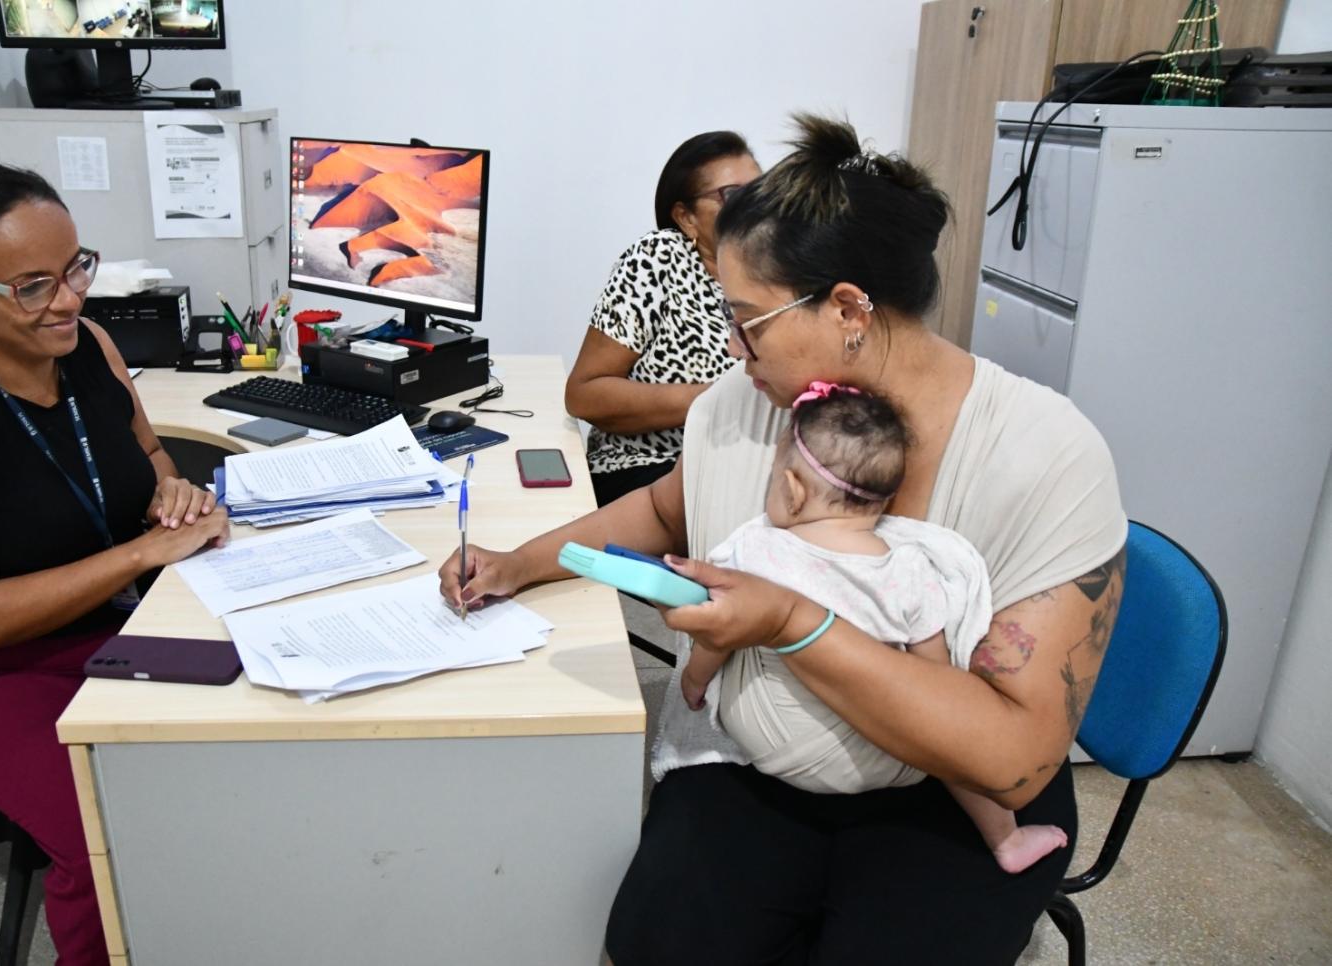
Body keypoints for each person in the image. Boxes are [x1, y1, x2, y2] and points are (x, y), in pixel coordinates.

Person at [441, 113, 1126, 964]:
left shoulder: (1045, 456)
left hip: (948, 792)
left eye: (749, 320)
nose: (733, 349)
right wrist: (519, 563)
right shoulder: (747, 404)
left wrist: (793, 624)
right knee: (660, 942)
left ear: (846, 309)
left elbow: (1013, 760)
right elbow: (662, 512)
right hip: (757, 757)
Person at [0, 160, 229, 965]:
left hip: (110, 626)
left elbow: (148, 457)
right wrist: (144, 552)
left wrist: (171, 498)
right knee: (105, 829)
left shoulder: (90, 346)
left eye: (75, 267)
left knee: (231, 750)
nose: (70, 299)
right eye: (32, 286)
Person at [680, 382, 1068, 875]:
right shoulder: (911, 569)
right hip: (894, 760)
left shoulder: (759, 551)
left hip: (779, 757)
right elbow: (937, 682)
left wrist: (694, 681)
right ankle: (1006, 839)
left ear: (792, 489)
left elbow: (719, 632)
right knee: (952, 746)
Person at [565, 131, 761, 507]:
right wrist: (715, 401)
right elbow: (584, 394)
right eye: (734, 195)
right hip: (647, 467)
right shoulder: (658, 260)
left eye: (762, 191)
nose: (756, 207)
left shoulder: (779, 273)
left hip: (741, 471)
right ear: (686, 217)